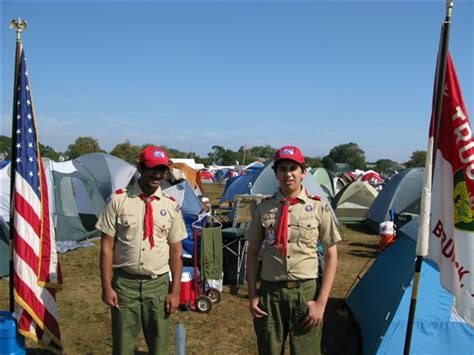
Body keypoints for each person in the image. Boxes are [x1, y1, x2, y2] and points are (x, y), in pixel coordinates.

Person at [246, 145, 341, 355]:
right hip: (271, 292)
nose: (288, 174)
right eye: (282, 169)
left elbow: (331, 255)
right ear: (276, 173)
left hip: (305, 291)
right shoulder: (264, 208)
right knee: (269, 349)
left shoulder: (319, 208)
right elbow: (252, 252)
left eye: (293, 168)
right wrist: (253, 294)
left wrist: (321, 303)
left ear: (303, 172)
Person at [97, 146, 186, 355]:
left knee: (159, 346)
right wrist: (106, 287)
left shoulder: (171, 205)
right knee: (123, 346)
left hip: (158, 287)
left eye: (162, 170)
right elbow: (106, 247)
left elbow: (176, 252)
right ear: (140, 167)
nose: (157, 175)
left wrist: (175, 291)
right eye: (152, 169)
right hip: (124, 286)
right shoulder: (119, 200)